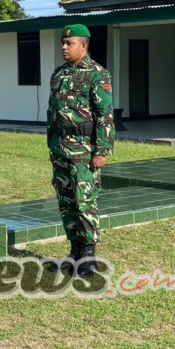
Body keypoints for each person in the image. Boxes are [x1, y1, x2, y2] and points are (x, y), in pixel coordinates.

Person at [46, 24, 115, 279]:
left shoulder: (98, 75)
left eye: (70, 43)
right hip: (61, 150)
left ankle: (89, 257)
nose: (64, 47)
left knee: (84, 202)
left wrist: (102, 151)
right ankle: (74, 251)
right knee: (66, 203)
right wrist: (52, 146)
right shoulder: (59, 74)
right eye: (63, 43)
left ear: (83, 46)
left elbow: (104, 116)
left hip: (84, 152)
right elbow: (52, 114)